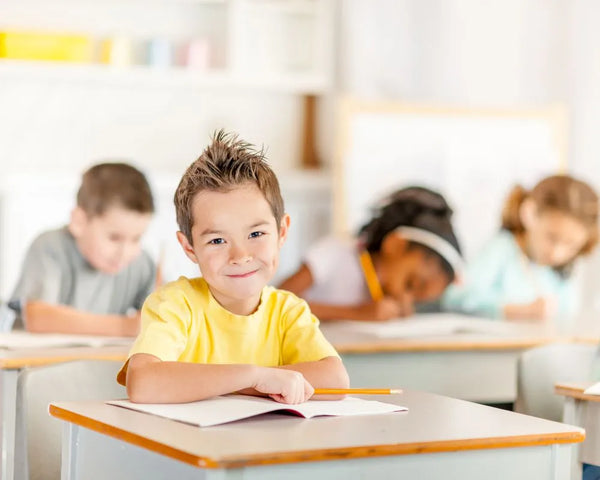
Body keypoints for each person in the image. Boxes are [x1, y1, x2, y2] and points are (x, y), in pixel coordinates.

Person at [117, 130, 349, 405]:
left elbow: (335, 381)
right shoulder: (175, 304)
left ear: (282, 231)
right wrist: (252, 377)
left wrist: (248, 383)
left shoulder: (288, 312)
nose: (240, 255)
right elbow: (144, 384)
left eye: (255, 234)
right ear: (190, 248)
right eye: (217, 240)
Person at [9, 162, 156, 336]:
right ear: (79, 222)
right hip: (38, 362)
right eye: (114, 238)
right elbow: (38, 318)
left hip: (101, 362)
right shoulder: (50, 248)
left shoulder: (141, 262)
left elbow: (163, 316)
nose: (125, 252)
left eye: (136, 238)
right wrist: (125, 327)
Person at [279, 186, 463, 322]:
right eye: (410, 284)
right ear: (395, 245)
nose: (406, 299)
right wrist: (355, 313)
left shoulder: (382, 296)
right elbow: (278, 303)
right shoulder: (338, 252)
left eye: (416, 301)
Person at [442, 175, 599, 326]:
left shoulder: (561, 272)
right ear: (529, 213)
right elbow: (454, 297)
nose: (557, 253)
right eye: (551, 237)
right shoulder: (501, 249)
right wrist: (516, 311)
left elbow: (568, 314)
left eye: (571, 245)